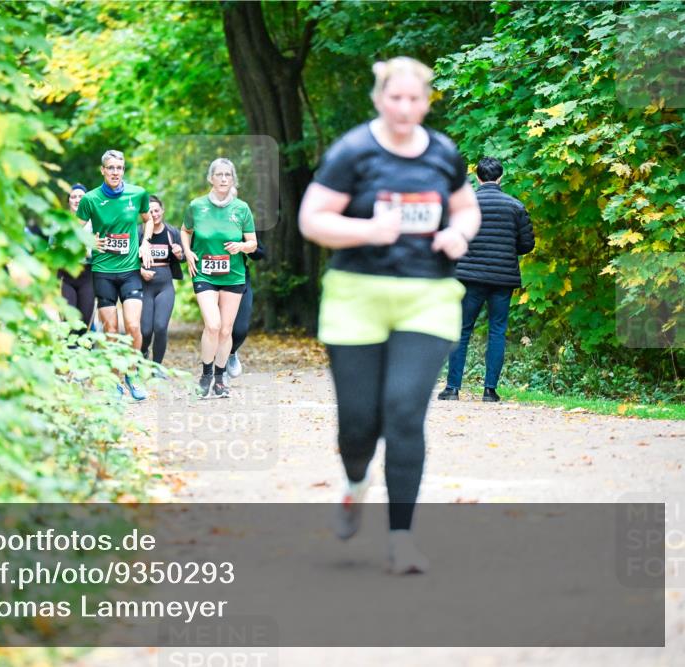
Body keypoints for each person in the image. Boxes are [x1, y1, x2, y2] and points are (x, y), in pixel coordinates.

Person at [298, 57, 481, 574]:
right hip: (357, 295)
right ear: (379, 99)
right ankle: (356, 483)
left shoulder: (444, 154)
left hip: (427, 296)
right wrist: (367, 232)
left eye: (414, 99)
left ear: (427, 102)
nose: (404, 108)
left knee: (404, 412)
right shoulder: (353, 152)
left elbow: (465, 208)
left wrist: (458, 234)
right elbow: (312, 219)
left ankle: (402, 539)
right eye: (394, 98)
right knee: (359, 425)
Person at [438, 157, 535, 403]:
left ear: (478, 178)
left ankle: (452, 389)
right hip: (503, 278)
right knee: (497, 331)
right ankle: (490, 391)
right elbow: (527, 244)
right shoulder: (515, 206)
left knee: (461, 331)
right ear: (501, 177)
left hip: (469, 277)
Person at [76, 150, 154, 400]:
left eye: (119, 168)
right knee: (111, 329)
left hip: (130, 270)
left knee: (132, 325)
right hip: (103, 271)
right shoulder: (90, 199)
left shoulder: (137, 193)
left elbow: (148, 220)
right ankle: (114, 382)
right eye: (110, 167)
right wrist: (89, 241)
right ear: (102, 170)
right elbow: (74, 230)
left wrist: (146, 243)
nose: (115, 172)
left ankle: (132, 374)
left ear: (124, 170)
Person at [182, 158, 258, 398]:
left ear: (232, 179)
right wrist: (188, 251)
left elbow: (253, 243)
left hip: (233, 275)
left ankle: (220, 378)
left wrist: (241, 247)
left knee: (226, 331)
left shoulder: (242, 208)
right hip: (204, 273)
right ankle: (205, 375)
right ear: (210, 178)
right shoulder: (196, 206)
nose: (224, 179)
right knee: (212, 325)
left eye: (228, 175)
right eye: (219, 175)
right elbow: (185, 231)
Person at [139, 195, 184, 365]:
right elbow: (128, 262)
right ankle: (143, 352)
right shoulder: (138, 233)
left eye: (156, 210)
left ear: (162, 211)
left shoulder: (172, 232)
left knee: (160, 327)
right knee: (145, 330)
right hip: (144, 286)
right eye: (150, 211)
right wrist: (141, 270)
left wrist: (180, 254)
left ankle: (156, 366)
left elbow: (184, 257)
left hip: (165, 286)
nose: (154, 214)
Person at [224, 237, 266, 379]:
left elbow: (259, 252)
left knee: (239, 330)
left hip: (239, 279)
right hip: (211, 281)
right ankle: (219, 372)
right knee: (217, 328)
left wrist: (242, 247)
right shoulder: (205, 219)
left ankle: (231, 352)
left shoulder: (240, 219)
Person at [59, 183, 95, 331]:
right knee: (69, 320)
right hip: (66, 274)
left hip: (88, 274)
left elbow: (101, 247)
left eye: (81, 196)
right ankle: (68, 352)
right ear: (68, 200)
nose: (77, 199)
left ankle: (84, 351)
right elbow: (52, 249)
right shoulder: (60, 222)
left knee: (84, 320)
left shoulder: (95, 223)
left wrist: (91, 252)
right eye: (73, 196)